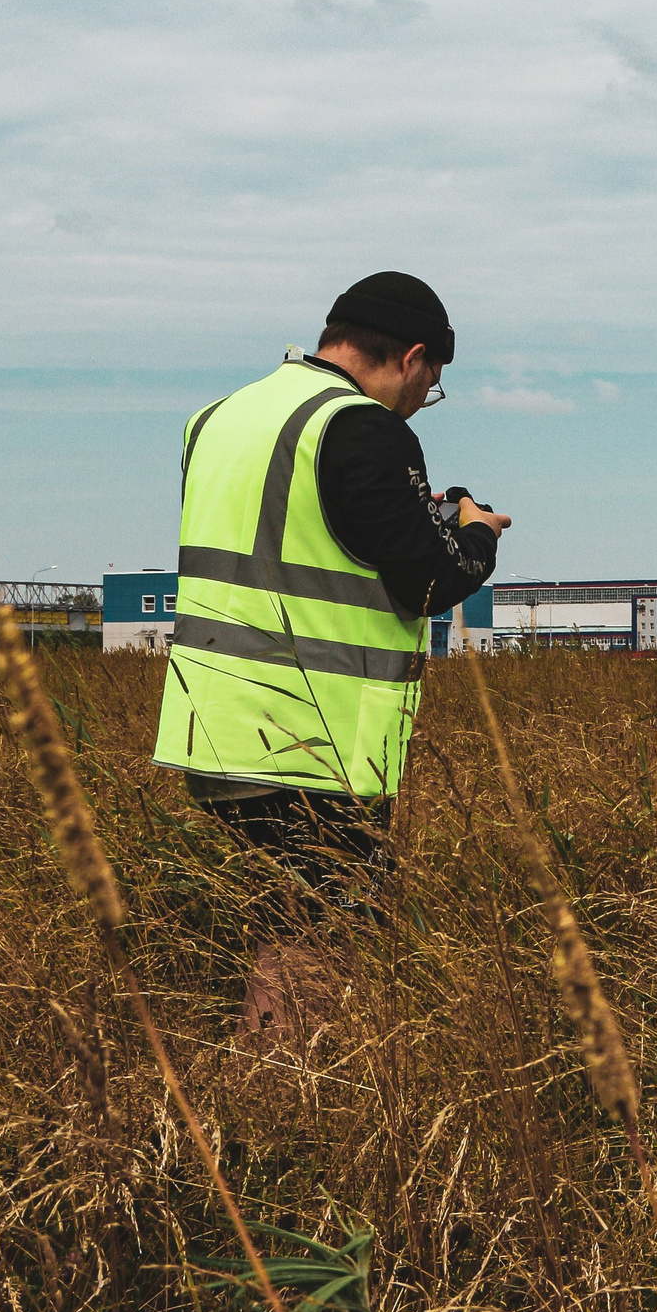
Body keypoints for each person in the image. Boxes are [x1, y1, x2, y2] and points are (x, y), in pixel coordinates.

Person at [152, 272, 511, 1042]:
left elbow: (303, 537)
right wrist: (475, 530)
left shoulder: (217, 418)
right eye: (432, 385)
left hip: (214, 725)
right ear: (413, 358)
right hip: (309, 736)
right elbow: (431, 579)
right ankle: (274, 1107)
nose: (420, 402)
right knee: (321, 934)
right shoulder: (362, 427)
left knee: (289, 920)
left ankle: (266, 1097)